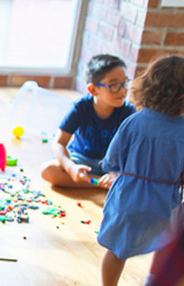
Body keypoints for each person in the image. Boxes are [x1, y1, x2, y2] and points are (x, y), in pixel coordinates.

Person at [96, 55, 184, 286]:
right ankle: (153, 280)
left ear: (148, 86)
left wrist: (122, 172)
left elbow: (111, 160)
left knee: (116, 249)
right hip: (164, 203)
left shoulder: (132, 122)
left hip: (127, 199)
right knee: (167, 242)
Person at [40, 54, 137, 189]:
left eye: (125, 83)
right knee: (48, 171)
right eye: (114, 85)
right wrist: (71, 168)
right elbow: (58, 143)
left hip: (112, 166)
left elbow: (134, 152)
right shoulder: (80, 108)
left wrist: (116, 174)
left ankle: (102, 183)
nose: (123, 90)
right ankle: (101, 184)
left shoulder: (129, 113)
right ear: (92, 89)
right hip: (81, 161)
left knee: (136, 180)